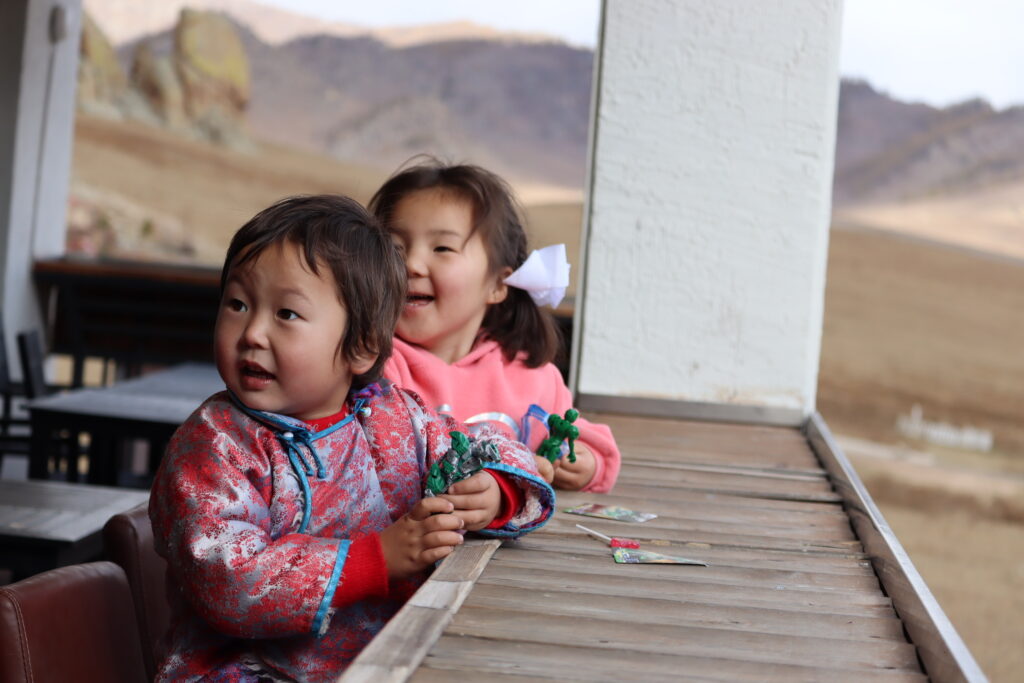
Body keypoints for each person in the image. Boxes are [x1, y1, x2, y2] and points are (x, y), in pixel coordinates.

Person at [149, 195, 554, 683]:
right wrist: (375, 558)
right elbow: (228, 581)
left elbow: (485, 445)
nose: (252, 332)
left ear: (361, 346)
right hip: (246, 671)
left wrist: (492, 490)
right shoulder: (214, 446)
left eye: (286, 314)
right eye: (237, 304)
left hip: (387, 660)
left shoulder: (395, 416)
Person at [370, 160, 621, 493]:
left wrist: (585, 465)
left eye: (442, 248)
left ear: (498, 285)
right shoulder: (372, 365)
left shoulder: (531, 377)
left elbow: (585, 441)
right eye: (394, 248)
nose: (411, 264)